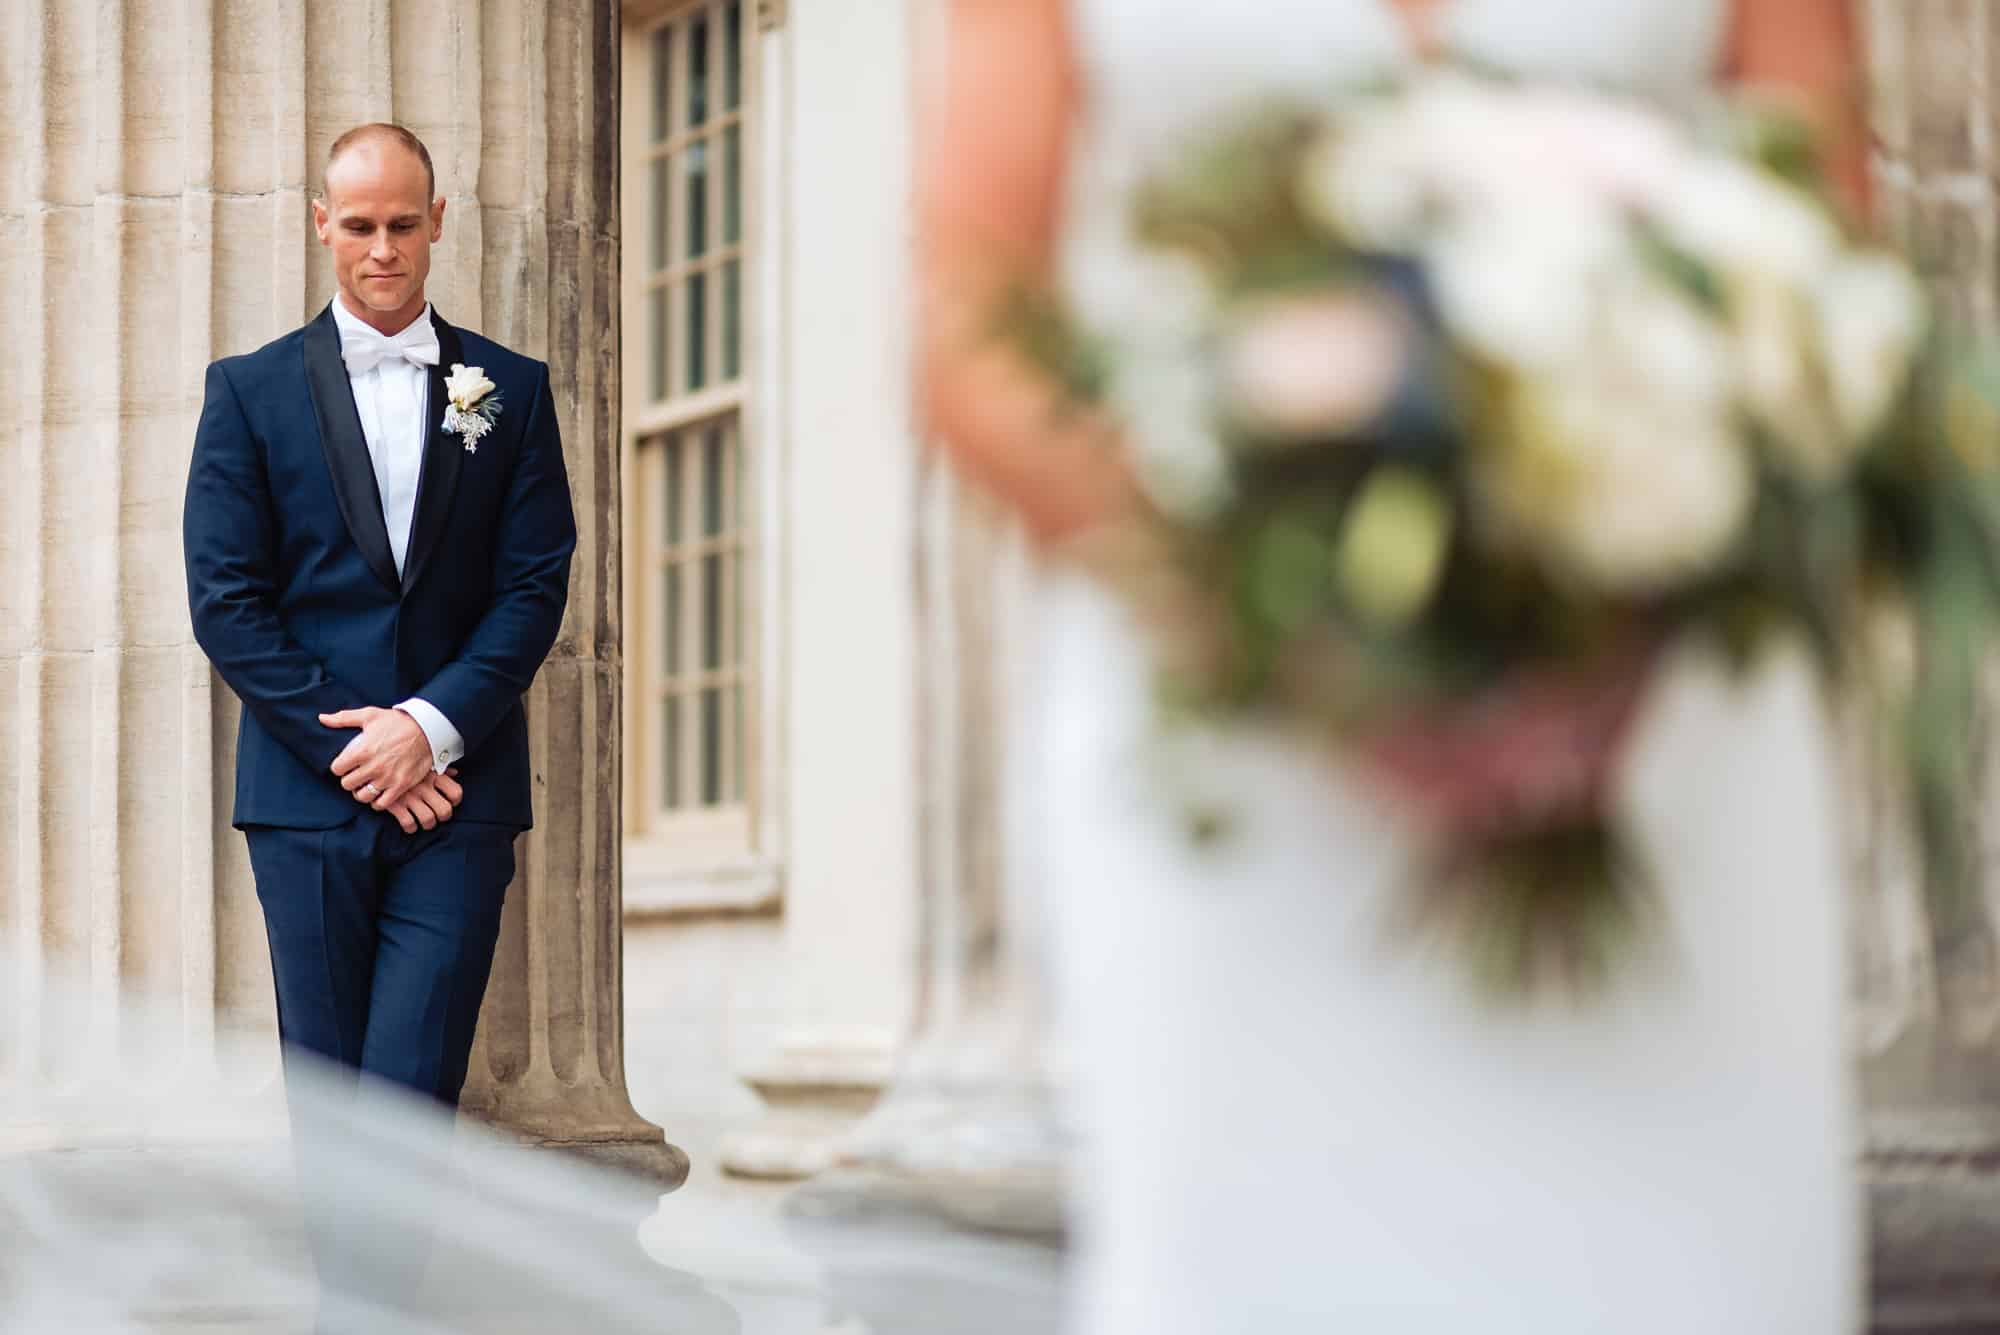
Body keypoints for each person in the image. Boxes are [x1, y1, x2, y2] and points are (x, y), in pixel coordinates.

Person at [919, 3, 1874, 1332]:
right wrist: (1269, 613)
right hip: (1234, 741)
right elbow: (971, 313)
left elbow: (1832, 239)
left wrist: (1633, 576)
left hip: (1658, 709)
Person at [182, 122, 576, 1322]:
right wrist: (365, 747)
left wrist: (433, 726)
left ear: (438, 221)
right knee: (329, 1099)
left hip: (456, 808)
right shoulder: (246, 393)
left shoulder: (505, 392)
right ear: (320, 224)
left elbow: (533, 585)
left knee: (406, 1096)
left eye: (403, 224)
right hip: (307, 805)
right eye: (358, 226)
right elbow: (225, 601)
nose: (382, 250)